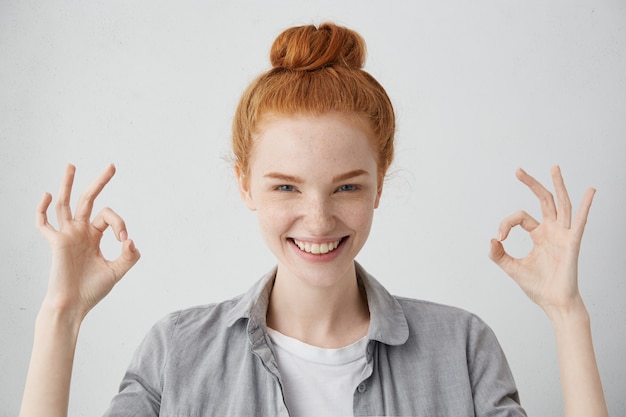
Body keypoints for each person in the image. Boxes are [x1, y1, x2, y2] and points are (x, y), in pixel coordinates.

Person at [19, 22, 607, 417]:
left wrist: (566, 314)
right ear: (245, 184)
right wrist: (61, 314)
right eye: (286, 187)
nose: (319, 218)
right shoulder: (178, 354)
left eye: (348, 186)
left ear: (380, 183)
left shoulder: (462, 349)